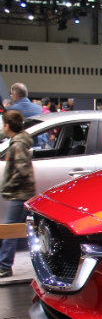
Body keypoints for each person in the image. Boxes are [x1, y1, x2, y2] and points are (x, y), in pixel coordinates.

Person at [0, 110, 35, 278]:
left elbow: (22, 171)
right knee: (24, 229)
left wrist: (8, 186)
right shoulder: (19, 142)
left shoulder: (18, 145)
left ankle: (4, 265)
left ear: (7, 126)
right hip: (23, 193)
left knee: (11, 229)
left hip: (20, 193)